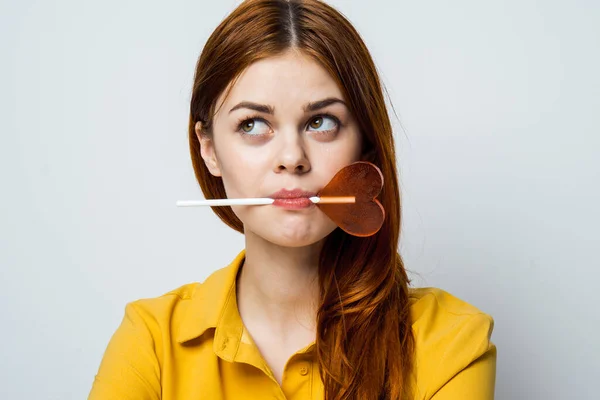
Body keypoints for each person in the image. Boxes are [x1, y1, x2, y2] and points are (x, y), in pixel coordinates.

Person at [88, 0, 496, 399]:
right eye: (252, 124)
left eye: (321, 123)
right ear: (209, 149)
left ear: (365, 145)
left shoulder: (452, 341)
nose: (292, 158)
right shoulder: (152, 339)